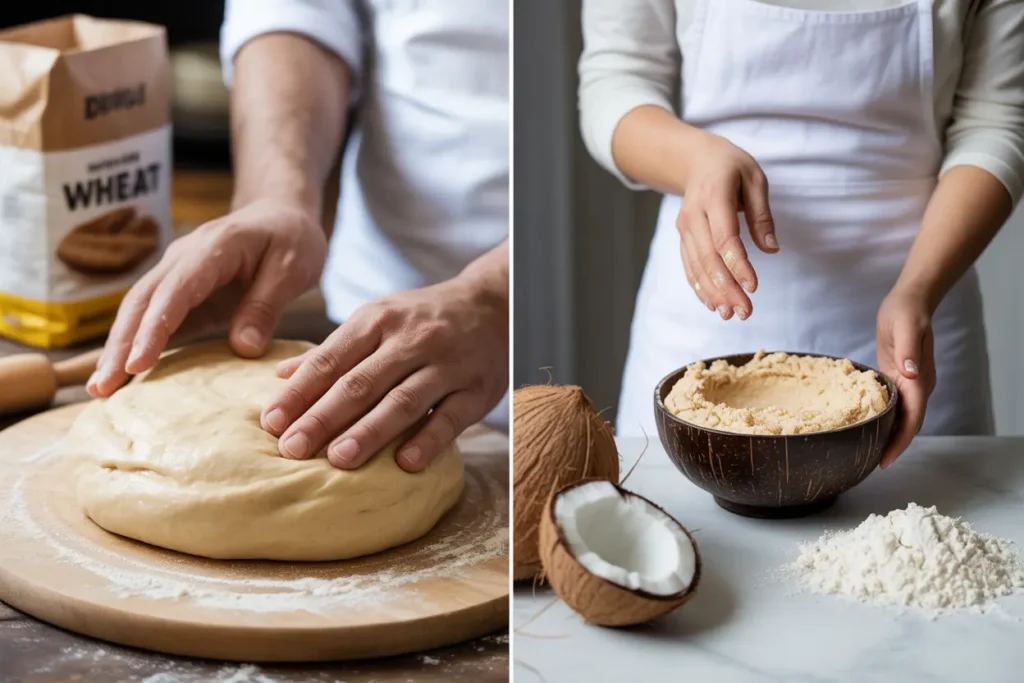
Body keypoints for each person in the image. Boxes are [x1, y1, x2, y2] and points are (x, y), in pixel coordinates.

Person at [579, 0, 1023, 466]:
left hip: (918, 306)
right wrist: (695, 161)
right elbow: (616, 78)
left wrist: (917, 290)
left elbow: (997, 120)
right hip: (706, 316)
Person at [87, 1, 510, 472]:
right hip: (363, 327)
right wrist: (276, 196)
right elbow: (299, 11)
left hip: (556, 323)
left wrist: (497, 297)